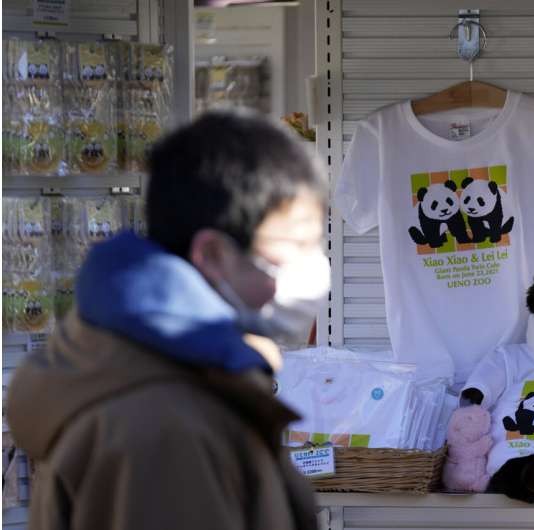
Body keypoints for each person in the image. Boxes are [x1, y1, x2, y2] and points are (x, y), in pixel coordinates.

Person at [7, 112, 329, 530]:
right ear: (213, 254)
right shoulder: (167, 427)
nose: (312, 265)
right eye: (295, 244)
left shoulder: (165, 371)